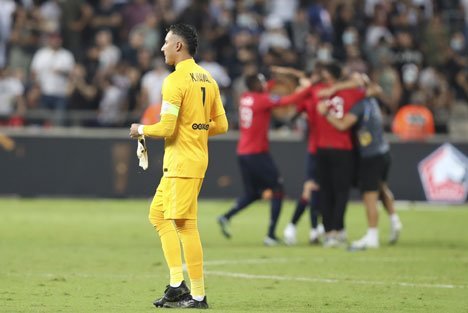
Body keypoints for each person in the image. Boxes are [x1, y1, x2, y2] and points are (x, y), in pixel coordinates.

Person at [129, 23, 228, 309]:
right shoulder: (208, 78)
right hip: (194, 159)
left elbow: (168, 128)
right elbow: (221, 124)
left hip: (182, 162)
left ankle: (197, 295)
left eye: (165, 42)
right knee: (158, 215)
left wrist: (141, 129)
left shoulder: (174, 80)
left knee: (185, 226)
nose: (162, 47)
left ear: (178, 46)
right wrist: (196, 127)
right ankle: (176, 285)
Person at [217, 73, 309, 246]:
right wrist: (309, 88)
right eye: (262, 82)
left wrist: (276, 79)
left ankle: (226, 216)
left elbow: (261, 87)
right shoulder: (263, 100)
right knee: (278, 189)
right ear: (256, 85)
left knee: (253, 194)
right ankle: (271, 235)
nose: (265, 84)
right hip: (257, 153)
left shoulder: (246, 97)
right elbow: (287, 101)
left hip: (243, 152)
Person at [318, 84, 402, 249]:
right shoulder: (372, 101)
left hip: (370, 156)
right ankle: (394, 219)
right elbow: (374, 88)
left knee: (369, 196)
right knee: (382, 187)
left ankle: (372, 236)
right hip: (383, 151)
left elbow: (342, 125)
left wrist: (326, 113)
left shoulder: (359, 106)